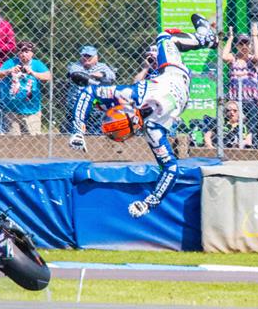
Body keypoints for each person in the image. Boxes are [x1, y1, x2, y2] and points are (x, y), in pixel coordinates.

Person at [68, 14, 218, 218]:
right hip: (173, 76)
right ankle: (205, 38)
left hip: (176, 94)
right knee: (165, 36)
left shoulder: (152, 132)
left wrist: (149, 203)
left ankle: (206, 38)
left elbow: (171, 168)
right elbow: (93, 94)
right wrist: (79, 128)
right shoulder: (135, 95)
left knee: (97, 97)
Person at [0, 41, 51, 135]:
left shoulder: (37, 64)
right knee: (12, 141)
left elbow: (48, 77)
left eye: (27, 51)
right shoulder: (11, 62)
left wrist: (33, 73)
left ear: (32, 53)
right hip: (11, 110)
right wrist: (10, 70)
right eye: (21, 51)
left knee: (33, 141)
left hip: (32, 111)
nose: (23, 54)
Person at [222, 23, 258, 146]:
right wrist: (230, 38)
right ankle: (233, 140)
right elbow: (224, 56)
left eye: (246, 43)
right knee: (233, 121)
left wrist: (255, 36)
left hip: (249, 99)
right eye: (241, 43)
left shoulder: (252, 60)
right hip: (234, 99)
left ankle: (249, 141)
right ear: (237, 45)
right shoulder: (233, 59)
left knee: (251, 123)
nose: (244, 46)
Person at [62, 45, 116, 134]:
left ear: (96, 57)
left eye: (89, 56)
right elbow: (77, 75)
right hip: (76, 106)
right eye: (84, 56)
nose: (86, 58)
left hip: (96, 108)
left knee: (96, 134)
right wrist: (97, 80)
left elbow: (112, 77)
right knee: (74, 133)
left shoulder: (103, 66)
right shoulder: (75, 65)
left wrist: (102, 74)